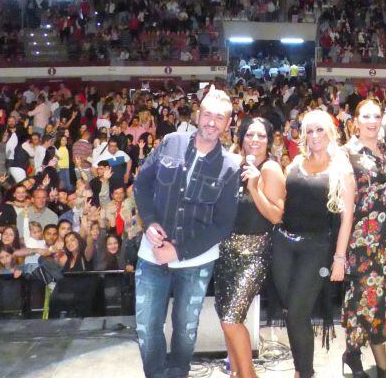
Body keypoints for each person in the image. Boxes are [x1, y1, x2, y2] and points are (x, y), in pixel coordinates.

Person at [132, 88, 242, 378]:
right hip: (151, 255)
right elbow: (141, 185)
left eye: (220, 117)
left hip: (195, 263)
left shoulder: (230, 167)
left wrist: (178, 251)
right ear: (197, 114)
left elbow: (223, 225)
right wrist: (150, 221)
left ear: (228, 123)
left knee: (185, 329)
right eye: (207, 114)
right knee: (147, 327)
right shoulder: (170, 142)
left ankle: (178, 373)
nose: (211, 122)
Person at [342, 50, 386, 378]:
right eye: (366, 117)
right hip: (358, 244)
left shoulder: (382, 143)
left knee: (380, 302)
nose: (372, 121)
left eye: (375, 116)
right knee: (362, 301)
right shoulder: (345, 154)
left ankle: (367, 360)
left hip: (385, 243)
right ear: (355, 123)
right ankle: (357, 356)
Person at [272, 110, 356, 378]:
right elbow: (281, 204)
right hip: (283, 245)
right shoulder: (294, 163)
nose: (314, 135)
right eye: (309, 130)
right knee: (291, 312)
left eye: (320, 130)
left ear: (330, 132)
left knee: (297, 312)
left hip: (316, 248)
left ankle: (305, 373)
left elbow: (347, 218)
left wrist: (339, 258)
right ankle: (301, 369)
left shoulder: (341, 168)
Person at [214, 117, 285, 378]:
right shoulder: (235, 165)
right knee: (225, 317)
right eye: (250, 135)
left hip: (254, 252)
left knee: (232, 318)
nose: (255, 140)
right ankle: (236, 372)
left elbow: (276, 216)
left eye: (261, 136)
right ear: (241, 138)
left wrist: (255, 188)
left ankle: (248, 375)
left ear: (269, 140)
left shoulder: (270, 169)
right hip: (225, 252)